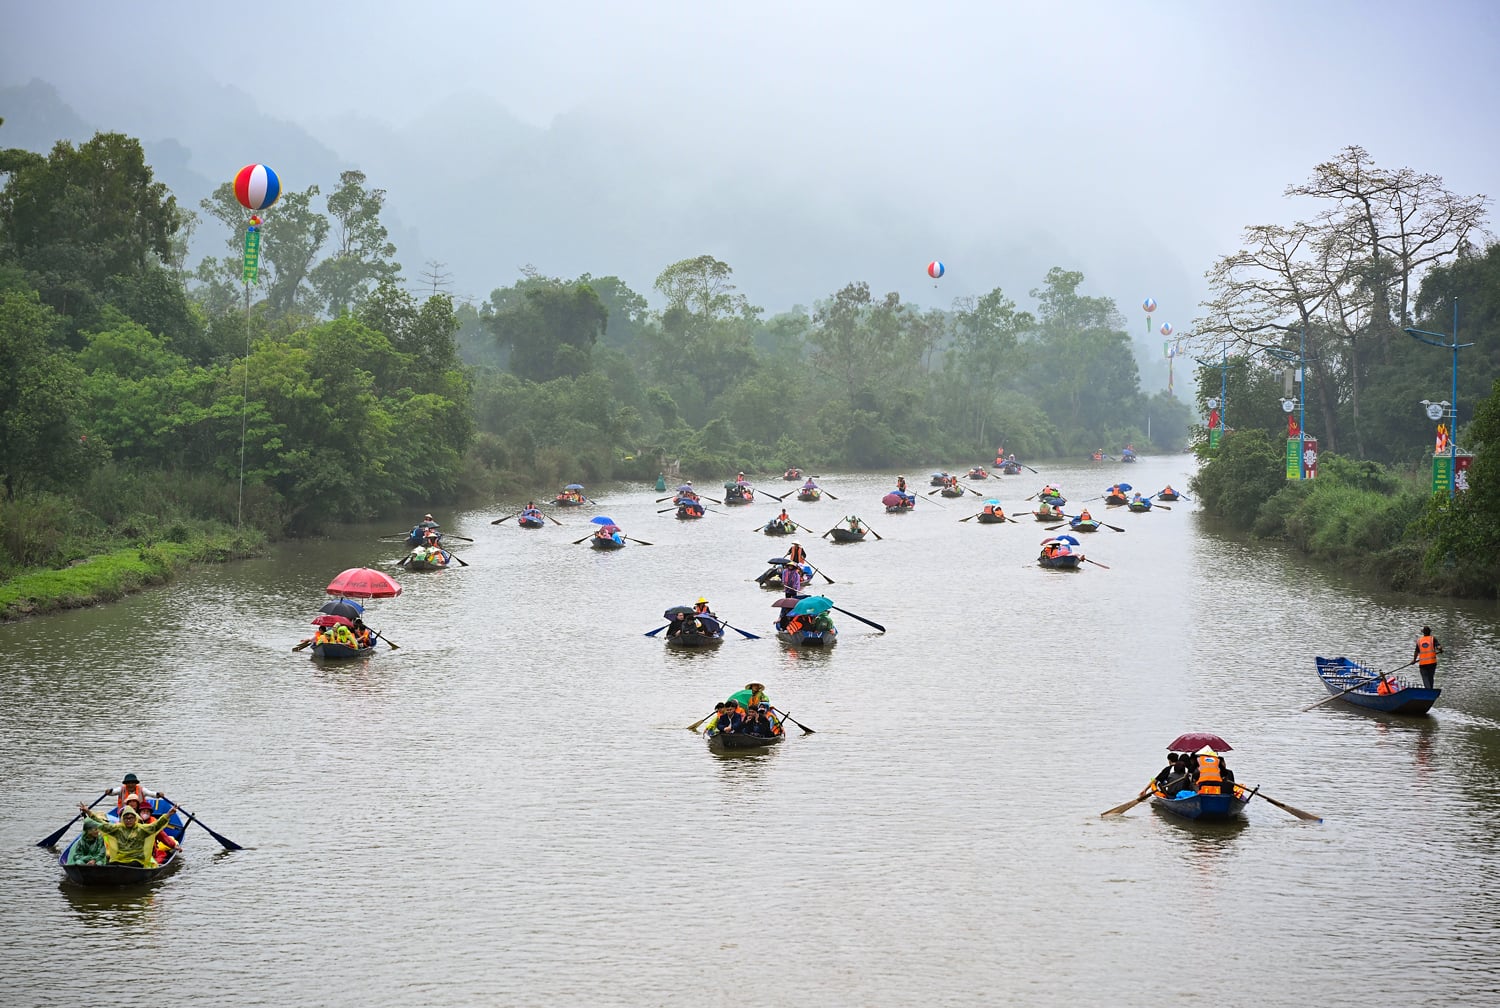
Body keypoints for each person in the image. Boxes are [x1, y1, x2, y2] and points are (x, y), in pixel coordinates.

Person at [78, 801, 179, 867]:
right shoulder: (117, 828)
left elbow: (156, 825)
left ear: (135, 818)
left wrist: (169, 814)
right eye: (126, 818)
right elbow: (102, 823)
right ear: (122, 819)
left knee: (133, 865)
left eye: (131, 818)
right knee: (111, 866)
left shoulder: (142, 829)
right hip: (121, 859)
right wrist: (88, 812)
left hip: (137, 860)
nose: (128, 820)